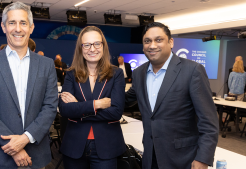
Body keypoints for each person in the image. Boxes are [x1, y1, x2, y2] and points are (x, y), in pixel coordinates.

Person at [0, 2, 58, 169]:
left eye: (23, 23)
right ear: (3, 27)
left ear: (31, 27)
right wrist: (14, 148)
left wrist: (25, 138)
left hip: (35, 155)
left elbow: (50, 106)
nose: (18, 29)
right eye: (12, 23)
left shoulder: (47, 65)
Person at [125, 22, 219, 169]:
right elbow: (125, 100)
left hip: (183, 158)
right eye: (147, 41)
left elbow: (209, 122)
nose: (152, 45)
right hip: (150, 157)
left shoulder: (192, 70)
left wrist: (203, 158)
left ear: (171, 42)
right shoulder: (139, 73)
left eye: (158, 40)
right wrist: (89, 100)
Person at [59, 26, 126, 169]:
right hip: (74, 145)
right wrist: (96, 104)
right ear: (81, 48)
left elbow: (116, 112)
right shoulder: (71, 74)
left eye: (97, 44)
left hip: (106, 146)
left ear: (103, 46)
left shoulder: (116, 74)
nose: (92, 49)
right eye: (87, 45)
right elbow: (65, 110)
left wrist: (79, 107)